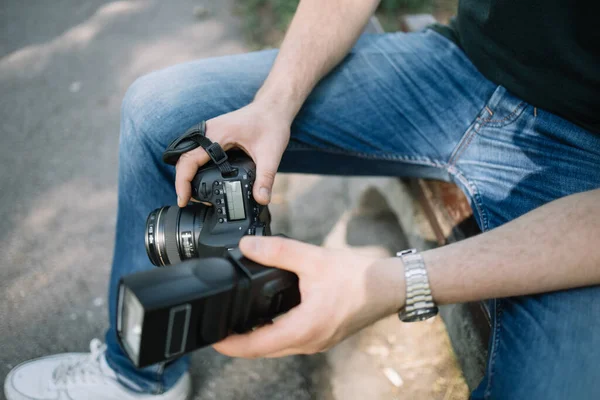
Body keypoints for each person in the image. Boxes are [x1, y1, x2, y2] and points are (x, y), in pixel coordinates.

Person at [4, 0, 599, 399]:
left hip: (584, 164)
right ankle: (141, 376)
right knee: (162, 111)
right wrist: (273, 104)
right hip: (461, 67)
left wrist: (394, 283)